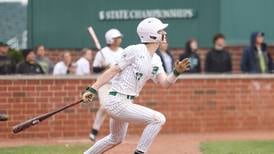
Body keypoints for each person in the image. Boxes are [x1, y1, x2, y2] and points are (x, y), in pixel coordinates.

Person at [81, 17, 190, 154]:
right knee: (158, 119)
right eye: (161, 30)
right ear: (152, 34)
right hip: (116, 100)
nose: (165, 33)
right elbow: (113, 70)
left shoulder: (156, 59)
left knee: (116, 138)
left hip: (126, 101)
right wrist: (93, 89)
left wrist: (176, 73)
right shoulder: (136, 50)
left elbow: (164, 83)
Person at [89, 28, 124, 141]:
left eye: (119, 38)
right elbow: (94, 69)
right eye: (117, 38)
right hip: (105, 84)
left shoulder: (122, 51)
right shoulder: (102, 52)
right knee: (105, 106)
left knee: (119, 108)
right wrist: (104, 66)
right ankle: (94, 131)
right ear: (110, 40)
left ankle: (117, 132)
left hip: (118, 84)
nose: (119, 39)